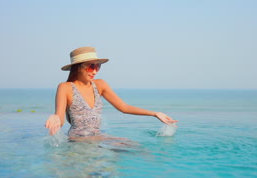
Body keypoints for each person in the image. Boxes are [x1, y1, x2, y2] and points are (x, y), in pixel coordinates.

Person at [45, 46, 177, 138]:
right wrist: (55, 117)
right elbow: (60, 119)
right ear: (78, 68)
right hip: (78, 142)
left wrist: (155, 114)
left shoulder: (100, 84)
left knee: (135, 148)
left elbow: (123, 107)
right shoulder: (65, 87)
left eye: (97, 66)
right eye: (91, 67)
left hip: (98, 138)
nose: (95, 71)